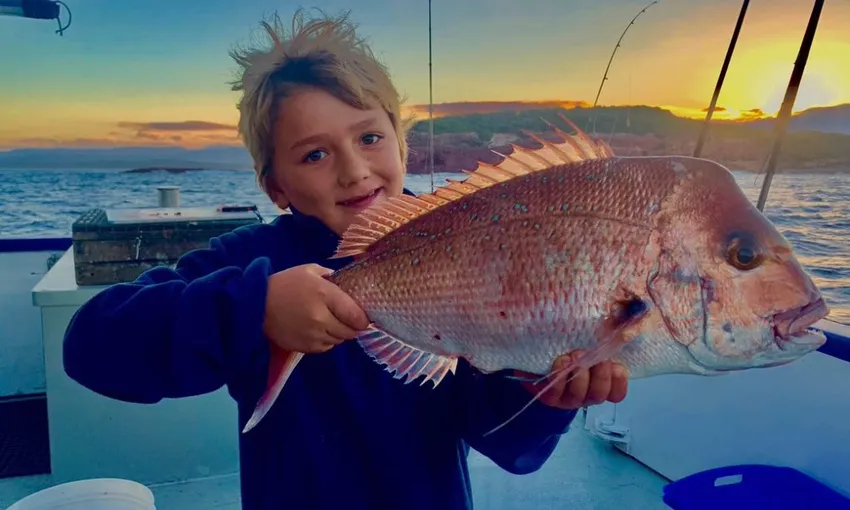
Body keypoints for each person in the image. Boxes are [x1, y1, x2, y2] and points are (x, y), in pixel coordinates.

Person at [62, 9, 628, 510]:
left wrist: (543, 399)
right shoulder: (254, 261)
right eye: (314, 153)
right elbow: (91, 344)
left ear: (402, 144)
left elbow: (505, 443)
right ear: (275, 186)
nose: (354, 170)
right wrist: (254, 309)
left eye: (371, 138)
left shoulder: (469, 249)